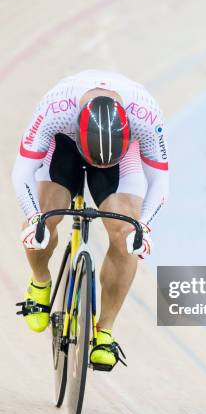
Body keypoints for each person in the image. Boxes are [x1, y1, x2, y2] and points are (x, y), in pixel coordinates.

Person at [12, 70, 169, 370]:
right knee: (44, 220)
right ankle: (41, 281)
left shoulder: (146, 116)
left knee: (127, 237)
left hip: (123, 156)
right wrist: (34, 219)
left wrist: (143, 227)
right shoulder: (55, 109)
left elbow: (160, 182)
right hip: (65, 146)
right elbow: (22, 173)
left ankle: (105, 331)